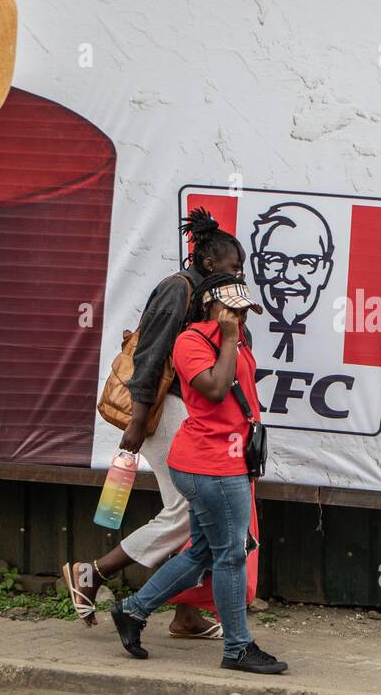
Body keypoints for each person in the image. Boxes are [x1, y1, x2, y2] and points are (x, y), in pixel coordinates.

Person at [62, 210, 244, 638]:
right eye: (232, 267)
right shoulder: (177, 290)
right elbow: (149, 355)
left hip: (186, 413)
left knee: (194, 514)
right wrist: (139, 418)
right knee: (188, 511)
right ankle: (95, 572)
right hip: (166, 413)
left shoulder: (205, 295)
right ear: (208, 262)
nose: (238, 275)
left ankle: (184, 615)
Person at [110, 272, 287, 674]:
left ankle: (133, 610)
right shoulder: (190, 342)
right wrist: (226, 338)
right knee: (230, 555)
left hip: (226, 462)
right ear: (212, 306)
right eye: (233, 310)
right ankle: (238, 647)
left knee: (204, 551)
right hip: (210, 465)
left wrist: (231, 338)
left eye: (244, 311)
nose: (240, 318)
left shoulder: (236, 341)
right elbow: (215, 389)